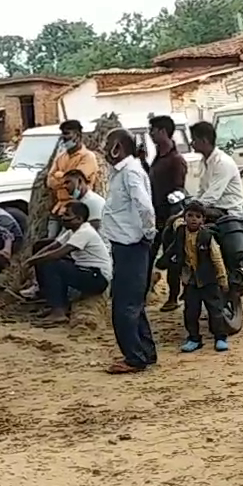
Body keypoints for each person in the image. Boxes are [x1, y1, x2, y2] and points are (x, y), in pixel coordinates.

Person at [101, 128, 158, 374]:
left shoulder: (130, 171)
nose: (104, 150)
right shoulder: (124, 172)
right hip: (126, 245)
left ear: (118, 147)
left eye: (107, 145)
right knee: (133, 303)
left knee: (124, 306)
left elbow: (145, 206)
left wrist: (148, 233)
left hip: (131, 246)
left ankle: (134, 357)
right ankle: (144, 351)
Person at [25, 201, 112, 324]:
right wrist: (35, 257)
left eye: (67, 215)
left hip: (97, 278)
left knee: (52, 264)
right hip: (87, 271)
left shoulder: (84, 232)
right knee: (46, 257)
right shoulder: (72, 231)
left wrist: (31, 261)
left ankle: (58, 312)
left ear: (79, 218)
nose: (63, 218)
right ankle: (54, 303)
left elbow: (58, 253)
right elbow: (53, 245)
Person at [170, 201, 231, 352]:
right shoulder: (180, 233)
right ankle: (194, 338)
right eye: (189, 215)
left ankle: (220, 338)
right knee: (190, 311)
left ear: (203, 219)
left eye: (197, 216)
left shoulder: (207, 237)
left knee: (215, 310)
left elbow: (217, 259)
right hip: (190, 280)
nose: (193, 219)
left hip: (208, 279)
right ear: (184, 217)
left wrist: (222, 278)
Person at [148, 115, 189, 312]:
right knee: (150, 254)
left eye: (153, 130)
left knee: (172, 257)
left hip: (170, 216)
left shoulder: (176, 160)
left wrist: (170, 212)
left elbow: (178, 190)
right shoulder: (158, 157)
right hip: (154, 215)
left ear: (163, 131)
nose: (151, 134)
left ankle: (173, 296)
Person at [47, 120, 99, 233]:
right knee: (50, 241)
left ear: (77, 135)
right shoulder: (61, 157)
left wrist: (59, 174)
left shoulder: (88, 157)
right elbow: (50, 182)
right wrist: (65, 177)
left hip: (77, 211)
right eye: (62, 134)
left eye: (67, 134)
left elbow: (75, 181)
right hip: (59, 209)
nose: (63, 137)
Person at [190, 121, 243, 216]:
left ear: (204, 141)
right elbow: (202, 191)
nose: (192, 144)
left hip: (227, 211)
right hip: (212, 208)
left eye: (194, 140)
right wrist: (190, 204)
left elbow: (212, 196)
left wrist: (193, 209)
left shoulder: (222, 162)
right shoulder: (204, 162)